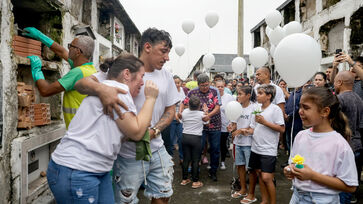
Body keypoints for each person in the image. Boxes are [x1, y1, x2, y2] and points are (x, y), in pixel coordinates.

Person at [74, 28, 178, 204]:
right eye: (163, 51)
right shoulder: (126, 68)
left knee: (163, 194)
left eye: (168, 52)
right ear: (147, 47)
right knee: (125, 200)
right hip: (127, 154)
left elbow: (171, 110)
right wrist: (101, 89)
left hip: (157, 149)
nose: (167, 57)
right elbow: (80, 84)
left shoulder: (166, 76)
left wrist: (154, 130)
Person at [47, 54, 158, 203]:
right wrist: (151, 98)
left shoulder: (108, 87)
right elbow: (136, 132)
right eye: (141, 77)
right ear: (126, 74)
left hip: (93, 170)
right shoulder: (119, 90)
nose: (143, 83)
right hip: (78, 170)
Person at [284, 87, 358, 204]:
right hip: (297, 196)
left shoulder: (339, 144)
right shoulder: (301, 136)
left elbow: (350, 186)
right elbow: (294, 162)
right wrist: (291, 170)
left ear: (325, 111)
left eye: (306, 107)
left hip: (322, 200)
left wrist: (312, 176)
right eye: (300, 106)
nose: (300, 111)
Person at [24, 27, 97, 128]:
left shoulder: (77, 73)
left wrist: (37, 70)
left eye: (70, 46)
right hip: (85, 129)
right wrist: (40, 36)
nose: (68, 48)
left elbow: (45, 91)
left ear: (77, 52)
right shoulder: (89, 69)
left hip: (77, 133)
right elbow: (62, 52)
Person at [243, 84, 285, 204]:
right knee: (259, 174)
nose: (257, 95)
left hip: (268, 149)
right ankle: (265, 200)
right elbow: (253, 128)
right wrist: (244, 131)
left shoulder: (275, 109)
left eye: (260, 93)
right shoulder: (257, 109)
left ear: (269, 96)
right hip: (256, 148)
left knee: (267, 177)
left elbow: (282, 129)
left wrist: (265, 122)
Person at [179, 73, 221, 181]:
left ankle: (213, 171)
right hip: (199, 126)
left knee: (215, 149)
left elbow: (217, 107)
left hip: (214, 124)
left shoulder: (214, 91)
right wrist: (180, 112)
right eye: (202, 85)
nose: (205, 87)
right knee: (198, 148)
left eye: (207, 85)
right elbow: (183, 103)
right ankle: (195, 170)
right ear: (198, 84)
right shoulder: (193, 92)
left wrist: (208, 116)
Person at [334, 71, 363, 204]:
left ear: (339, 82)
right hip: (357, 144)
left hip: (344, 145)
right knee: (352, 181)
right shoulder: (359, 99)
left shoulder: (340, 99)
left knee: (342, 184)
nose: (333, 84)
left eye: (334, 81)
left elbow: (334, 122)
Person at [229, 86, 256, 200]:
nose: (238, 96)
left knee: (250, 169)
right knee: (240, 166)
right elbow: (234, 124)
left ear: (248, 95)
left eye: (240, 94)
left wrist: (240, 130)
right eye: (237, 94)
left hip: (249, 143)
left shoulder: (254, 108)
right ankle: (243, 189)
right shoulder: (236, 107)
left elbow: (253, 128)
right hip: (238, 142)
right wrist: (231, 127)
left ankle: (251, 193)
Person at [180, 96, 209, 189]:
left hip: (185, 136)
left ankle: (184, 179)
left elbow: (181, 120)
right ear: (199, 106)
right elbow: (207, 122)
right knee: (196, 160)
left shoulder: (184, 112)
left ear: (189, 105)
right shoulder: (201, 114)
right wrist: (206, 111)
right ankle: (195, 181)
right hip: (196, 138)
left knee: (186, 159)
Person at [216, 80, 235, 170]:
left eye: (221, 87)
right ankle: (214, 163)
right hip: (214, 125)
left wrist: (231, 122)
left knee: (223, 144)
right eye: (218, 87)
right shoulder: (213, 96)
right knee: (215, 145)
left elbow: (233, 110)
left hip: (225, 124)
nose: (220, 88)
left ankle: (222, 162)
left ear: (224, 87)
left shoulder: (229, 97)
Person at [170, 75, 186, 162]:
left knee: (181, 138)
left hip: (180, 119)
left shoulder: (182, 91)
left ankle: (181, 157)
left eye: (178, 82)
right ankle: (170, 157)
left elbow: (183, 103)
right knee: (170, 139)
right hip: (171, 119)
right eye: (175, 83)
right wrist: (175, 115)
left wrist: (180, 113)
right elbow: (170, 106)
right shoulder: (170, 92)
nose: (177, 84)